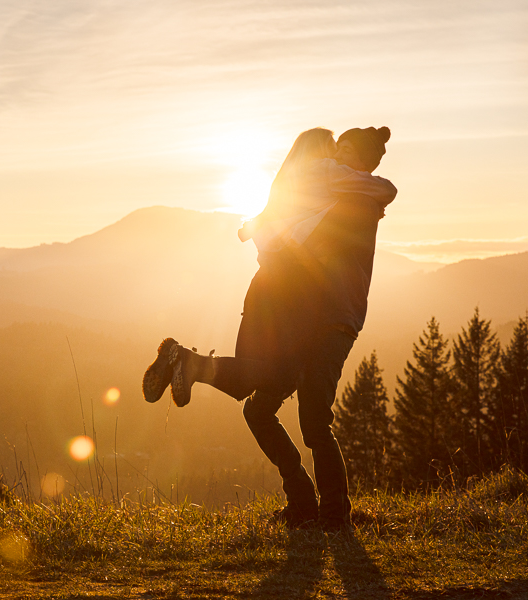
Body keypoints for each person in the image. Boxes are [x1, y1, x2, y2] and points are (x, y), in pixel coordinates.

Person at [142, 126, 396, 529]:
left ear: (363, 164)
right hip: (299, 314)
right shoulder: (325, 195)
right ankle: (303, 504)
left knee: (312, 419)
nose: (338, 158)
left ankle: (332, 515)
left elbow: (383, 190)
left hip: (332, 321)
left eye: (347, 152)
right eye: (336, 149)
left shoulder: (356, 198)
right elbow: (284, 234)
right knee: (259, 407)